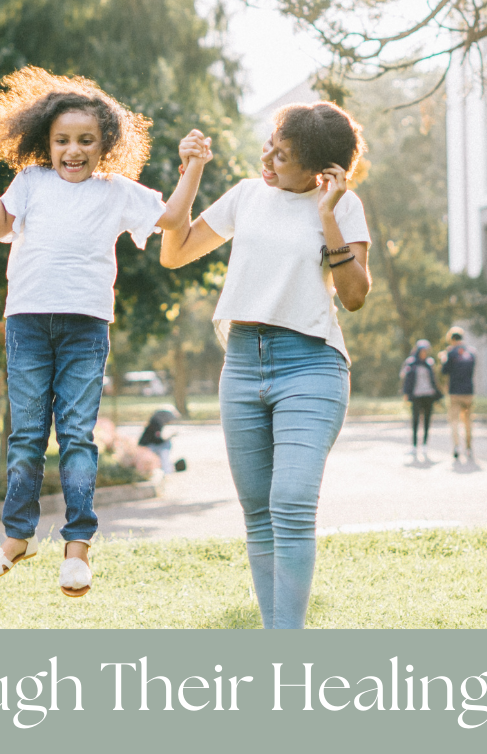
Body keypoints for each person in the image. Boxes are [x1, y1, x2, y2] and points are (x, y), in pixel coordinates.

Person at [156, 102, 372, 629]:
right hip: (244, 365)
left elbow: (356, 296)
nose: (268, 156)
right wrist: (191, 172)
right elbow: (175, 251)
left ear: (321, 170)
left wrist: (327, 216)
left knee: (292, 503)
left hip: (311, 365)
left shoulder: (343, 206)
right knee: (259, 515)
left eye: (285, 153)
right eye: (272, 142)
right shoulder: (247, 196)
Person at [0, 67, 176, 598]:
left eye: (85, 141)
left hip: (85, 327)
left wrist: (193, 167)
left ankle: (77, 548)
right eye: (62, 141)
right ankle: (18, 537)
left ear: (106, 144)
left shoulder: (116, 191)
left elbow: (173, 216)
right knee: (28, 436)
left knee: (78, 436)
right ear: (46, 142)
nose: (73, 151)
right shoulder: (33, 182)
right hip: (28, 324)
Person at [440, 326, 477, 460]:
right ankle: (469, 447)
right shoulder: (471, 352)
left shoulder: (450, 353)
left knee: (454, 421)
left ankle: (456, 446)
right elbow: (472, 371)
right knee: (467, 421)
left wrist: (443, 358)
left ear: (451, 339)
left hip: (454, 391)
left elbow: (444, 371)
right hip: (468, 391)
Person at [400, 339, 441, 455]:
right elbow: (406, 379)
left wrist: (437, 395)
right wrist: (406, 393)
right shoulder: (411, 363)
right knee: (415, 420)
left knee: (427, 421)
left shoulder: (429, 363)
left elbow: (434, 380)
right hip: (416, 395)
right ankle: (414, 446)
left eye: (425, 351)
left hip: (428, 395)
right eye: (422, 351)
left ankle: (424, 445)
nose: (424, 353)